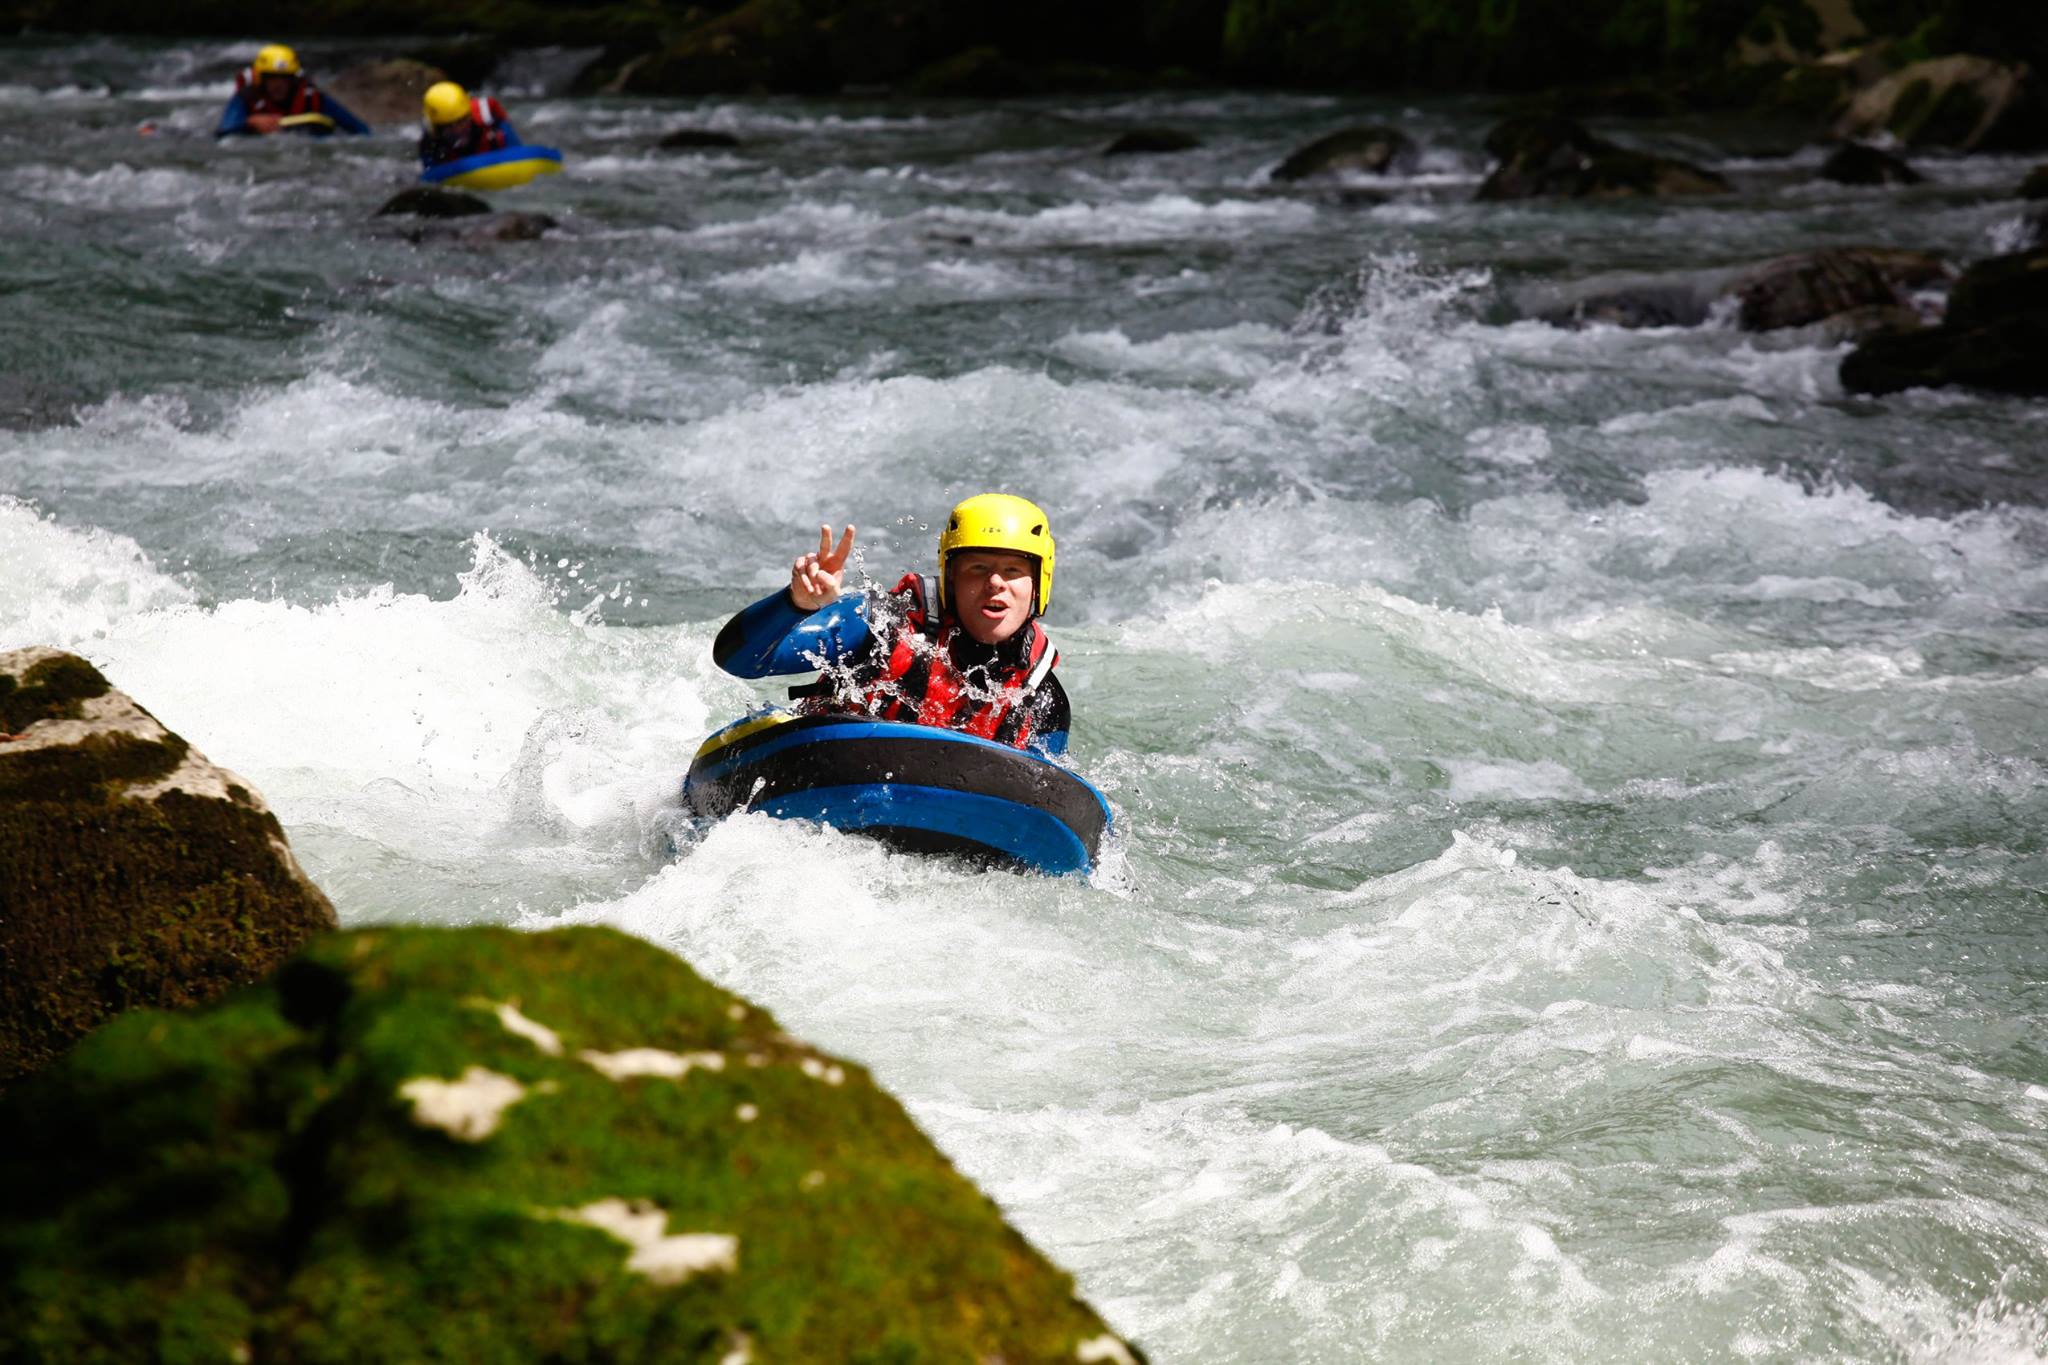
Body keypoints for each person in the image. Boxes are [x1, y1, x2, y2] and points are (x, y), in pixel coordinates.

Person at [713, 494, 1072, 754]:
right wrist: (795, 605)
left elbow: (1050, 797)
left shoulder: (1041, 695)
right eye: (977, 568)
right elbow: (738, 660)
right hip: (826, 773)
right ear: (950, 579)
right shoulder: (881, 625)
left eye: (1013, 571)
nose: (995, 583)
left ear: (1039, 585)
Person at [215, 45, 369, 138]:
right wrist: (250, 122)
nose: (278, 85)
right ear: (261, 79)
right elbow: (224, 131)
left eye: (284, 78)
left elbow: (361, 131)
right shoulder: (246, 98)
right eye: (272, 78)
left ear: (293, 80)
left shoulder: (312, 98)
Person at [418, 81, 522, 169]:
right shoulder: (431, 142)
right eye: (449, 126)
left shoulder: (490, 121)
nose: (458, 130)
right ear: (437, 128)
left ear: (469, 115)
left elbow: (519, 155)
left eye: (462, 121)